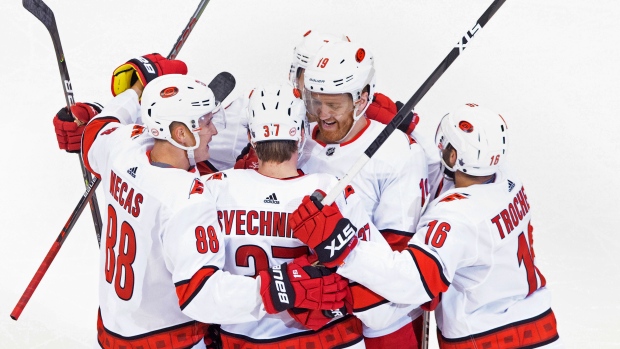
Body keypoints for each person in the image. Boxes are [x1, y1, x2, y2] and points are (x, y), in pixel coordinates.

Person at [75, 54, 348, 348]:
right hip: (167, 338)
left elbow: (95, 129)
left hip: (110, 330)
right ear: (180, 133)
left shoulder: (122, 145)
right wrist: (282, 288)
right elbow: (200, 294)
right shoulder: (188, 200)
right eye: (205, 123)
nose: (214, 131)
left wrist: (135, 93)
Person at [290, 103, 563, 349]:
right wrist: (409, 124)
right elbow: (447, 168)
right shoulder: (506, 178)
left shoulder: (455, 217)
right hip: (536, 323)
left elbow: (410, 281)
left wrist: (341, 245)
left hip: (486, 337)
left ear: (454, 155)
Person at [202, 83, 407, 348]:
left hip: (244, 339)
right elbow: (383, 280)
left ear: (252, 137)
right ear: (301, 135)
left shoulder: (213, 188)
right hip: (331, 340)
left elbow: (197, 283)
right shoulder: (331, 190)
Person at [298, 40, 430, 348]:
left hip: (384, 320)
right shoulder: (298, 143)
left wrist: (334, 295)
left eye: (335, 104)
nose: (323, 114)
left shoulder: (399, 153)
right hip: (312, 317)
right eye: (316, 101)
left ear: (362, 99)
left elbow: (399, 260)